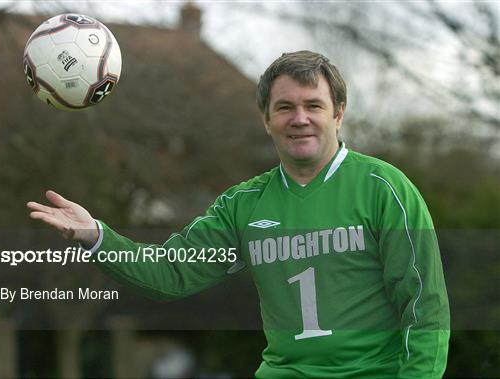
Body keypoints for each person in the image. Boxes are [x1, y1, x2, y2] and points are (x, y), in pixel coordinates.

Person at [27, 51, 450, 378]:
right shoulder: (243, 205)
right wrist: (98, 236)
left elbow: (425, 307)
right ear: (266, 119)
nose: (299, 118)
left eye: (313, 106)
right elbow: (172, 273)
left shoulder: (384, 189)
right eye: (284, 107)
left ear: (338, 113)